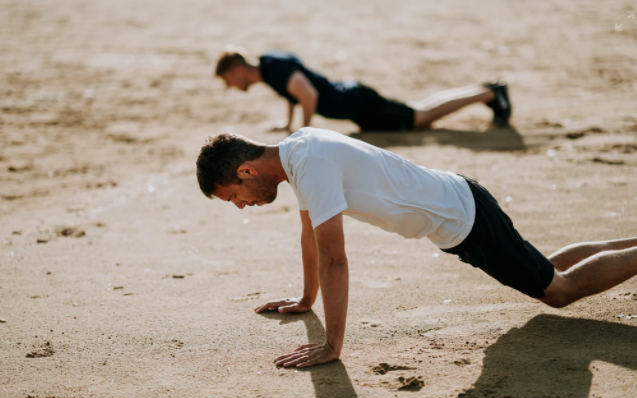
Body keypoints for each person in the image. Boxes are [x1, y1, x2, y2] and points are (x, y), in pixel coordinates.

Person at [195, 127, 637, 368]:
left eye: (234, 196)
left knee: (557, 291)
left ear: (247, 171)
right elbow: (310, 238)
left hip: (463, 218)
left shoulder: (309, 165)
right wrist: (306, 299)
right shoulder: (299, 151)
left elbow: (335, 259)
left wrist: (333, 345)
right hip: (460, 206)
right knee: (548, 267)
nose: (241, 206)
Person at [214, 47, 512, 132]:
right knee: (419, 108)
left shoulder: (272, 70)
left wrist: (304, 132)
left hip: (358, 104)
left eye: (227, 80)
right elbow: (295, 93)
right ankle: (486, 90)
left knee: (421, 117)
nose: (230, 86)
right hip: (356, 100)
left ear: (236, 69)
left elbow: (309, 95)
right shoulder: (269, 65)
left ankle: (489, 94)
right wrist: (289, 123)